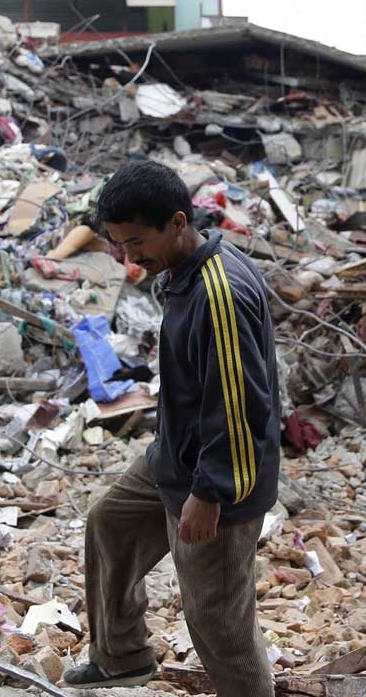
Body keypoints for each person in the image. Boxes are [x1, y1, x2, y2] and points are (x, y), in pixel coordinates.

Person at [64, 159, 280, 696]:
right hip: (176, 456)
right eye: (118, 244)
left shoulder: (219, 292)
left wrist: (210, 494)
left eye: (136, 242)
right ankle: (122, 658)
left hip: (222, 480)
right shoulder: (181, 270)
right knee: (109, 522)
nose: (127, 257)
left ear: (178, 223)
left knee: (218, 621)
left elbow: (240, 407)